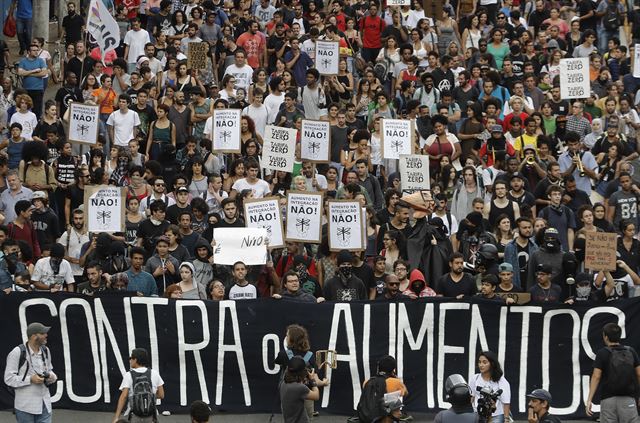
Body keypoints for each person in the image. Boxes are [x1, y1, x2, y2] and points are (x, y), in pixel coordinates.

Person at [4, 322, 57, 423]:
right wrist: (30, 379)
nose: (46, 335)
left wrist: (51, 376)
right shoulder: (17, 352)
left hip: (45, 404)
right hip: (25, 407)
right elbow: (9, 379)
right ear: (34, 336)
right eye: (42, 333)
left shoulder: (46, 350)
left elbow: (49, 369)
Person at [586, 322, 640, 422]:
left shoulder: (602, 353)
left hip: (608, 400)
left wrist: (589, 400)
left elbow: (596, 376)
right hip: (628, 399)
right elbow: (639, 374)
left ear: (605, 337)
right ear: (619, 336)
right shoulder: (631, 351)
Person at [113, 348, 164, 423]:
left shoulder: (128, 375)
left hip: (134, 415)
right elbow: (161, 395)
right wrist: (149, 395)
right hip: (151, 415)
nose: (130, 360)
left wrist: (116, 417)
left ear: (135, 360)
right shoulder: (155, 373)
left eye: (131, 358)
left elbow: (123, 397)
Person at [469, 351, 511, 423]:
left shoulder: (501, 380)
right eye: (479, 362)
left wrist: (506, 419)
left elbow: (506, 402)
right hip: (478, 414)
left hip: (496, 415)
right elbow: (471, 397)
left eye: (484, 362)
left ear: (492, 364)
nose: (481, 365)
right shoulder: (474, 378)